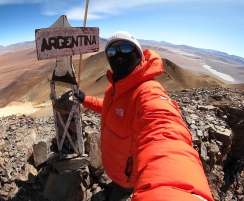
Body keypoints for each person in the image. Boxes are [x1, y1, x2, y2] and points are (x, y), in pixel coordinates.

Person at [74, 31, 214, 201]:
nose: (119, 55)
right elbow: (109, 109)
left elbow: (163, 130)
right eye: (112, 52)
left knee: (120, 193)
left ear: (138, 54)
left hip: (128, 175)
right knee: (116, 186)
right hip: (115, 167)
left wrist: (173, 192)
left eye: (125, 48)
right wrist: (85, 99)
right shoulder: (114, 88)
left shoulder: (147, 90)